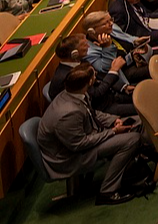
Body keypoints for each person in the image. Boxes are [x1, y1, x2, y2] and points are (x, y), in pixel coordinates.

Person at [38, 64, 147, 204]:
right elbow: (79, 144)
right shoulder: (68, 113)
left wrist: (115, 120)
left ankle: (131, 168)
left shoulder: (74, 92)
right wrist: (112, 132)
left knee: (137, 122)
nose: (96, 77)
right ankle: (107, 191)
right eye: (94, 75)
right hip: (70, 156)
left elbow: (93, 113)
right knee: (132, 139)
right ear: (89, 82)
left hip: (86, 137)